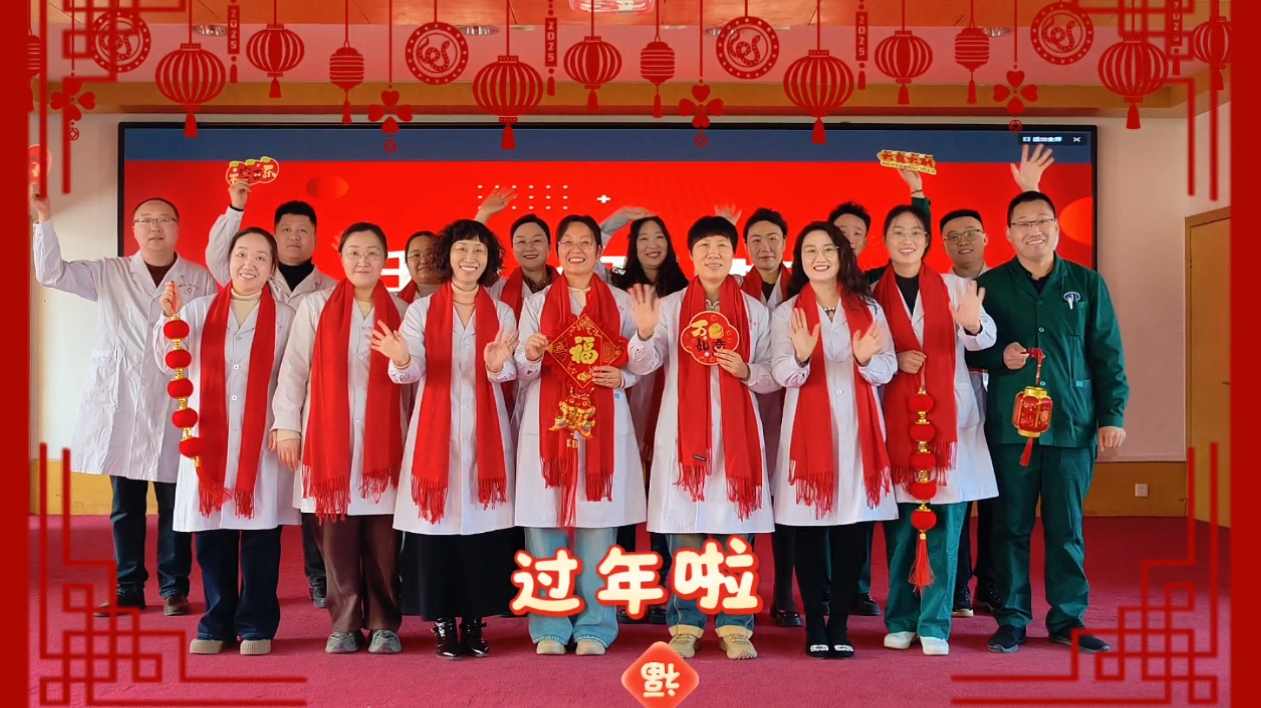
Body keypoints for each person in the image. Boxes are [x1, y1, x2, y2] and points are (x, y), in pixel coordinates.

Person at [31, 186, 217, 617]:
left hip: (177, 405)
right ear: (133, 229)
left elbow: (208, 336)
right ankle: (128, 587)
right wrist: (43, 218)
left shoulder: (199, 278)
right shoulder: (109, 272)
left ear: (178, 228)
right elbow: (51, 273)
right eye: (146, 220)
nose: (155, 227)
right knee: (125, 505)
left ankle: (174, 588)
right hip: (123, 405)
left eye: (164, 220)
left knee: (174, 503)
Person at [966, 191, 1128, 655]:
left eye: (1041, 221)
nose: (1033, 230)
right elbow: (967, 350)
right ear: (1008, 233)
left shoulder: (1087, 283)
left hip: (1072, 427)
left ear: (1056, 227)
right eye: (1023, 223)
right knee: (1009, 527)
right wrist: (1000, 357)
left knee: (1066, 528)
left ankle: (1067, 618)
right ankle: (1012, 618)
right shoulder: (989, 286)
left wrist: (1112, 415)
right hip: (1010, 429)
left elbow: (1107, 354)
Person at [626, 216, 780, 661]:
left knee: (736, 536)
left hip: (738, 437)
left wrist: (747, 370)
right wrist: (644, 331)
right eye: (705, 247)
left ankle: (736, 625)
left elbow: (773, 374)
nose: (713, 254)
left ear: (734, 254)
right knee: (686, 536)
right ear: (691, 255)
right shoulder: (671, 306)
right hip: (683, 437)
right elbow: (643, 364)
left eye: (722, 246)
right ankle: (686, 624)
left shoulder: (755, 311)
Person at [382, 219, 520, 660]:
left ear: (489, 260)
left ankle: (475, 620)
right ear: (447, 256)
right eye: (462, 249)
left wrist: (497, 365)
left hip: (486, 433)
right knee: (435, 531)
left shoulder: (502, 312)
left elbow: (509, 371)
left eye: (479, 251)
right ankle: (442, 621)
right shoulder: (421, 311)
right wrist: (401, 358)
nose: (470, 258)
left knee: (481, 532)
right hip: (434, 434)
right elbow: (409, 371)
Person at [155, 228, 298, 656]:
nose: (248, 264)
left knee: (260, 538)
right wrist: (168, 319)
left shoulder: (287, 317)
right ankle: (215, 621)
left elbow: (294, 379)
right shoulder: (198, 310)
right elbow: (169, 362)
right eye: (241, 255)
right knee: (212, 536)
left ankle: (256, 624)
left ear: (272, 268)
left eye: (260, 258)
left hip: (261, 443)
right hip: (207, 441)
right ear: (228, 260)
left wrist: (288, 425)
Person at [272, 223, 409, 655]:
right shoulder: (315, 306)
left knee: (384, 542)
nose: (363, 261)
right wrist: (287, 426)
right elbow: (294, 371)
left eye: (372, 253)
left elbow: (414, 378)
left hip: (386, 444)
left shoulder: (403, 310)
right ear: (342, 258)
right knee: (335, 540)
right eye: (354, 252)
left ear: (385, 259)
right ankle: (344, 623)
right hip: (326, 442)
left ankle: (384, 623)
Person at [514, 215, 646, 656]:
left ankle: (595, 626)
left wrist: (624, 377)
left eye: (585, 242)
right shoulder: (536, 303)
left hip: (602, 422)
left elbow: (645, 358)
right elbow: (521, 367)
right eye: (567, 242)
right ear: (557, 251)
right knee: (544, 522)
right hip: (549, 423)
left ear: (598, 250)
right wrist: (531, 353)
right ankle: (549, 625)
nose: (576, 250)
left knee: (598, 523)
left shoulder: (622, 302)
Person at [871, 205, 997, 656]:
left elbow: (984, 339)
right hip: (896, 423)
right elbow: (862, 356)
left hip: (949, 430)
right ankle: (901, 619)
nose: (907, 239)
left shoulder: (956, 287)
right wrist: (893, 361)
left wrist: (972, 322)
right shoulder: (871, 295)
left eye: (915, 232)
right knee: (902, 531)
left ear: (927, 242)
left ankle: (935, 624)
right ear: (884, 241)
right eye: (898, 232)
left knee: (945, 530)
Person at [770, 221, 897, 659]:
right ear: (801, 260)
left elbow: (887, 368)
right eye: (810, 250)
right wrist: (802, 355)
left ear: (843, 255)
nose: (819, 257)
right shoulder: (787, 313)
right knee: (808, 530)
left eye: (828, 249)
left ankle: (839, 622)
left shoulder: (868, 307)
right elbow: (781, 374)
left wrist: (865, 361)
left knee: (853, 530)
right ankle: (815, 625)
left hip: (859, 433)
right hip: (807, 440)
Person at [207, 181, 337, 610]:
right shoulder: (253, 277)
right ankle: (235, 604)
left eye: (303, 230)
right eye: (286, 230)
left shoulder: (330, 290)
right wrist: (235, 207)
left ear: (316, 238)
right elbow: (220, 255)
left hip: (307, 409)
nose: (294, 236)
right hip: (255, 415)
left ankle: (319, 576)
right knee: (260, 508)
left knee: (310, 501)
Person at [942, 144, 1053, 617]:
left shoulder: (1009, 281)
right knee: (958, 494)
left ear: (989, 237)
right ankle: (958, 588)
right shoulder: (940, 289)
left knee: (999, 499)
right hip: (959, 401)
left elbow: (1038, 246)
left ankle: (991, 583)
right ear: (943, 245)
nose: (963, 241)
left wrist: (1031, 189)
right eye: (952, 236)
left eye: (971, 233)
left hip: (1007, 402)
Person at [826, 168, 932, 617]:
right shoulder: (817, 287)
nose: (847, 240)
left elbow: (918, 247)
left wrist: (918, 194)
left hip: (882, 408)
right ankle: (832, 586)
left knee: (867, 499)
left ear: (871, 240)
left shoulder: (873, 288)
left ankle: (860, 587)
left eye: (856, 233)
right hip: (828, 411)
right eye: (840, 233)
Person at [610, 215, 688, 626]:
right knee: (625, 497)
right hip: (627, 396)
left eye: (660, 236)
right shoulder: (616, 289)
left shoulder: (685, 289)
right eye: (643, 238)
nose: (652, 244)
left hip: (673, 397)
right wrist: (619, 216)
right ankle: (625, 588)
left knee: (663, 496)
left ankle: (660, 584)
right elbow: (587, 245)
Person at [735, 207, 800, 629]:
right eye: (755, 240)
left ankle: (785, 593)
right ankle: (741, 593)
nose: (765, 247)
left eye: (772, 238)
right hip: (746, 408)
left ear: (785, 242)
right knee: (747, 500)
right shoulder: (735, 292)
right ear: (745, 247)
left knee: (787, 503)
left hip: (794, 407)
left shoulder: (804, 289)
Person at [398, 231, 442, 303]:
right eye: (416, 255)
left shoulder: (460, 296)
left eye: (430, 254)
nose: (423, 261)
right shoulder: (397, 303)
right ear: (407, 263)